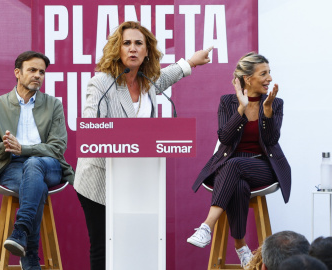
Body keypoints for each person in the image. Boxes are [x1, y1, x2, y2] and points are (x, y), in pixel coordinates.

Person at [73, 21, 212, 270]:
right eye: (127, 43)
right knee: (103, 247)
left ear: (147, 51)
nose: (133, 48)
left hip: (137, 181)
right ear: (118, 49)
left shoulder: (147, 81)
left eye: (139, 43)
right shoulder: (102, 83)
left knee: (133, 243)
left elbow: (166, 76)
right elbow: (91, 131)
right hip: (100, 180)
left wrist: (191, 62)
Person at [187, 52, 292, 267]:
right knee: (239, 186)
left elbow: (272, 140)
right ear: (248, 78)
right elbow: (225, 137)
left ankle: (207, 226)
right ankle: (242, 247)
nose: (269, 78)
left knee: (232, 166)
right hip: (232, 168)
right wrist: (241, 109)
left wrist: (268, 111)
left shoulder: (275, 103)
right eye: (263, 74)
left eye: (269, 73)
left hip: (264, 166)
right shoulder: (228, 102)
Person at [0, 51, 74, 270]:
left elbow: (58, 148)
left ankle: (21, 230)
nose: (38, 76)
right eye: (32, 70)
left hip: (49, 164)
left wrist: (24, 149)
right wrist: (7, 147)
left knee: (34, 164)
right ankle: (29, 252)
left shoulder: (53, 105)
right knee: (34, 184)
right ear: (17, 73)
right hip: (11, 166)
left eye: (42, 72)